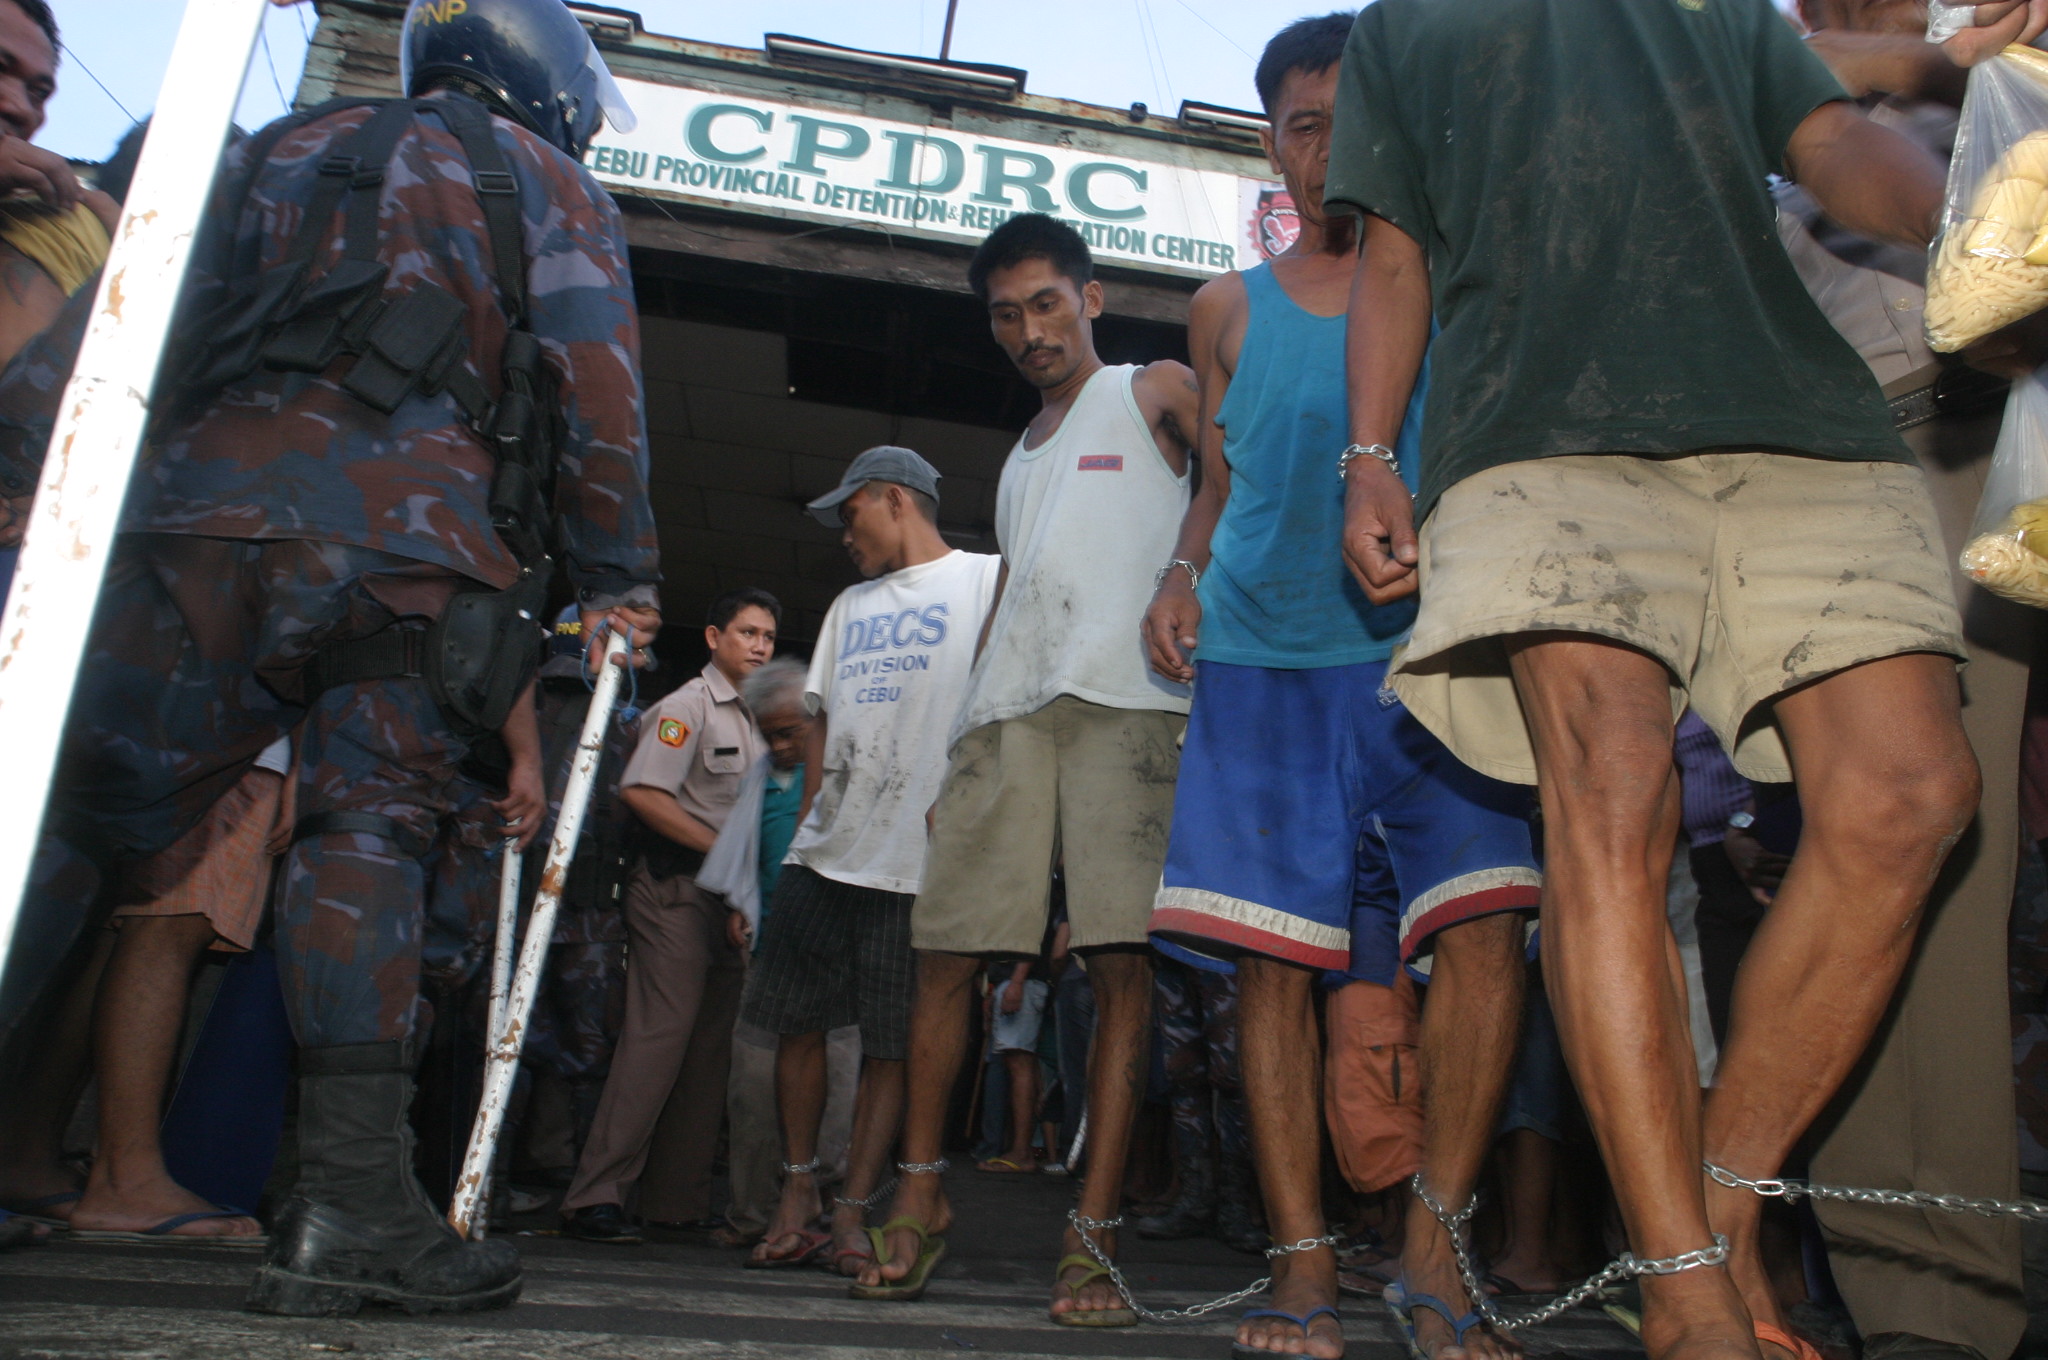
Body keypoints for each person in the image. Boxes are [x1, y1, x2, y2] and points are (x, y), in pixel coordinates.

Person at [1326, 0, 2019, 1354]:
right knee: (1614, 795)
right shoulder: (1404, 29)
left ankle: (1718, 1203)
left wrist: (1975, 229)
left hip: (1799, 418)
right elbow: (1394, 259)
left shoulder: (1712, 7)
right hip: (1539, 428)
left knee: (1914, 792)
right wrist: (1368, 455)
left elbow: (1828, 140)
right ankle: (1687, 1291)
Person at [2, 0, 661, 1316]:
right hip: (400, 555)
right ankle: (349, 1206)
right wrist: (621, 577)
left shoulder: (270, 147)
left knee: (61, 819)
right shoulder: (551, 183)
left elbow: (120, 311)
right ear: (557, 80)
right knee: (367, 835)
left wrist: (28, 472)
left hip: (181, 531)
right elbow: (596, 385)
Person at [1140, 16, 1541, 1357]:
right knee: (1274, 969)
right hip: (1264, 668)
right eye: (1304, 124)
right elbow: (1218, 480)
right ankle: (1302, 1268)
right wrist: (1179, 573)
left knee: (1484, 937)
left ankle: (1434, 1266)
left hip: (1435, 657)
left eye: (1350, 122)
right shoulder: (1223, 310)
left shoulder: (1458, 277)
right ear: (1272, 140)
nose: (1329, 152)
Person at [855, 213, 1196, 1320]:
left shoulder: (1152, 388)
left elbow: (1239, 471)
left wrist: (1183, 575)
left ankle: (1090, 1236)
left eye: (1047, 302)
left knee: (1116, 968)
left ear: (1090, 298)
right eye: (1005, 314)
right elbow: (1006, 607)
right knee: (944, 955)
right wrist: (959, 747)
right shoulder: (1012, 461)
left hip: (1130, 708)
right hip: (1006, 720)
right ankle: (920, 1195)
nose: (1028, 329)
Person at [1782, 10, 2040, 1358]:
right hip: (1860, 470)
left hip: (2009, 438)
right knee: (1899, 866)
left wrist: (1953, 57)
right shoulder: (1740, 45)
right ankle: (1924, 1296)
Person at [740, 445, 999, 1277]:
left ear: (893, 499)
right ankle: (797, 1191)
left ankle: (853, 1209)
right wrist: (812, 824)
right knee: (797, 1025)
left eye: (849, 514)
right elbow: (818, 720)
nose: (843, 536)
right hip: (828, 854)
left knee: (892, 1042)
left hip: (918, 861)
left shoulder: (985, 580)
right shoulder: (849, 606)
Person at [560, 588, 778, 1244]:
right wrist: (725, 852)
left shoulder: (760, 722)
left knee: (709, 1053)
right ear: (714, 636)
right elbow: (642, 792)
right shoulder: (686, 708)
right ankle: (593, 1196)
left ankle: (674, 1203)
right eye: (748, 632)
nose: (761, 646)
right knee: (656, 1042)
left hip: (730, 905)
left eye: (769, 636)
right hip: (674, 892)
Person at [697, 657, 860, 1249]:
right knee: (752, 1091)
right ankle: (751, 1215)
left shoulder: (849, 771)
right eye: (770, 733)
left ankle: (829, 1214)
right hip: (772, 952)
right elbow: (746, 858)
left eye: (792, 731)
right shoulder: (761, 778)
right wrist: (742, 907)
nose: (781, 744)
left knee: (838, 1096)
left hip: (838, 959)